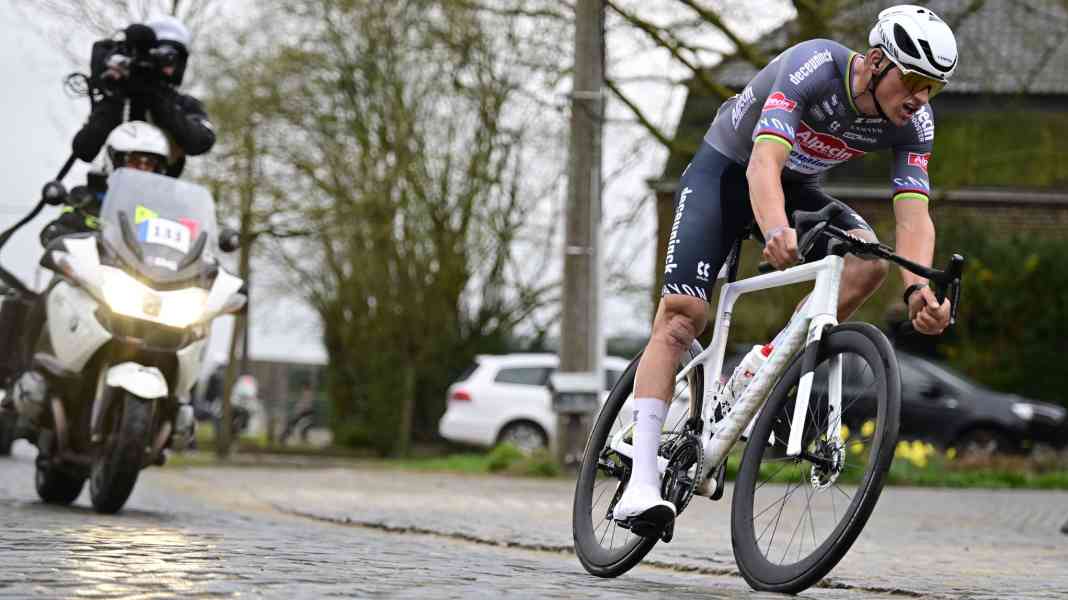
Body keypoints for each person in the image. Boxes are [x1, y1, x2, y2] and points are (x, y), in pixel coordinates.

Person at [612, 5, 958, 535]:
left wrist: (919, 290)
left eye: (932, 87)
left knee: (870, 262)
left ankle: (761, 364)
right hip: (727, 174)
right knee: (683, 317)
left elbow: (914, 217)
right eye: (912, 79)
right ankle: (639, 488)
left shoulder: (914, 124)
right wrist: (774, 229)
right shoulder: (813, 66)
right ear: (874, 62)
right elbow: (762, 163)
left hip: (799, 188)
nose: (919, 97)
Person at [72, 15, 214, 178]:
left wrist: (154, 97)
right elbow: (84, 149)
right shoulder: (121, 98)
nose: (168, 67)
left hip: (159, 197)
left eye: (173, 58)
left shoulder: (183, 104)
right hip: (111, 194)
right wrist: (119, 93)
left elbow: (201, 141)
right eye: (162, 58)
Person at [39, 120, 170, 246]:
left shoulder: (161, 209)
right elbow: (55, 232)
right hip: (92, 266)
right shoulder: (86, 197)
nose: (142, 169)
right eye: (134, 161)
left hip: (140, 268)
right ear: (115, 160)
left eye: (149, 163)